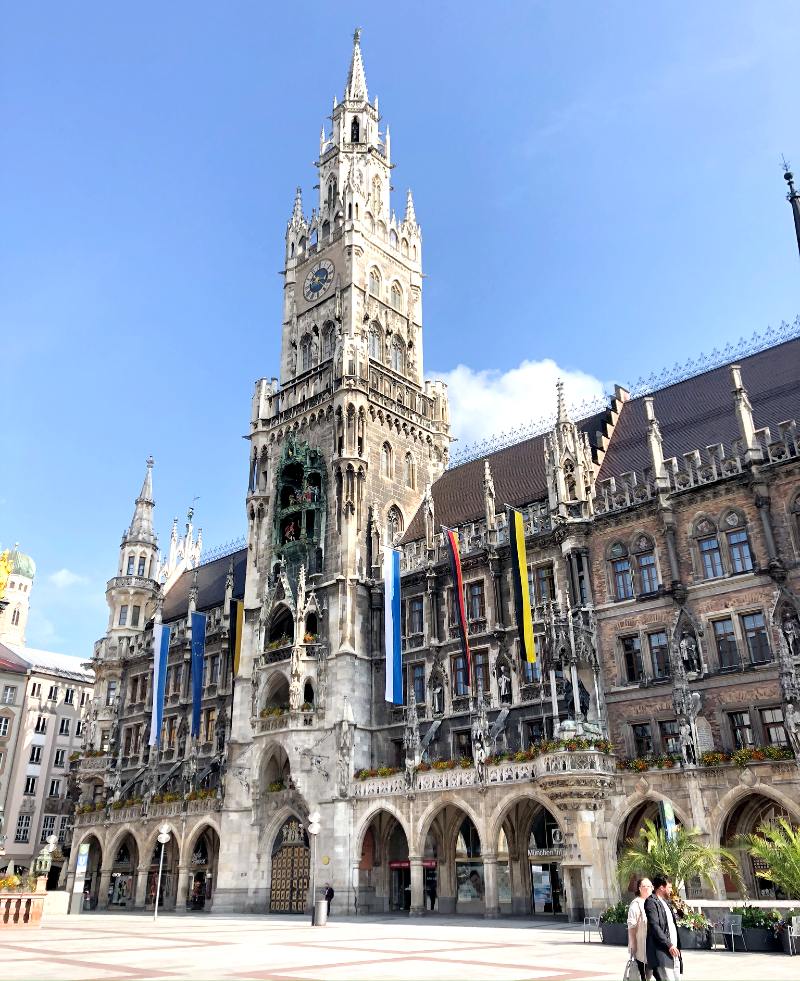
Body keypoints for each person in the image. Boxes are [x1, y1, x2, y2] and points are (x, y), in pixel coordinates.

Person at [644, 875, 682, 981]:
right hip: (662, 952)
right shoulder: (651, 902)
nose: (671, 890)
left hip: (674, 951)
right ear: (661, 887)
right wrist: (669, 945)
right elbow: (655, 926)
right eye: (669, 887)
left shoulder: (666, 903)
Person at [627, 878, 653, 981]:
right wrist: (633, 943)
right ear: (639, 888)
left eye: (648, 886)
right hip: (641, 946)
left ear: (652, 888)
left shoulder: (653, 902)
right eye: (643, 886)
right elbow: (631, 926)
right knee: (642, 974)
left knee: (649, 973)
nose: (646, 888)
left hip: (652, 946)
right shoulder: (636, 904)